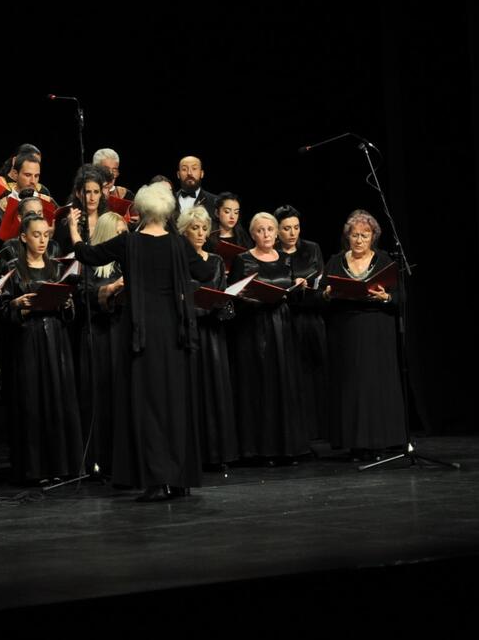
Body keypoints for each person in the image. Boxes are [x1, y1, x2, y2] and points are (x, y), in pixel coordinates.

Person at [69, 183, 208, 501]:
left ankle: (156, 479)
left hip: (140, 334)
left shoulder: (128, 242)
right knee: (174, 402)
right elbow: (205, 270)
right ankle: (177, 478)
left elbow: (87, 255)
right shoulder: (177, 244)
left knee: (148, 404)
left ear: (141, 212)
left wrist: (75, 230)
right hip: (174, 334)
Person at [0, 214, 83, 483]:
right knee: (33, 402)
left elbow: (70, 312)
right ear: (23, 237)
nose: (42, 240)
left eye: (46, 235)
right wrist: (16, 306)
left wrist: (67, 304)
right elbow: (0, 311)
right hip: (28, 342)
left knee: (58, 399)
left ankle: (61, 466)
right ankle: (35, 469)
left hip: (55, 340)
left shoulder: (57, 269)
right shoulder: (13, 269)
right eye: (36, 235)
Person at [228, 212, 309, 464]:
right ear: (253, 234)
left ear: (276, 233)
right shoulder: (243, 259)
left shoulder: (285, 259)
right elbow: (233, 296)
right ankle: (260, 450)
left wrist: (299, 288)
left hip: (281, 325)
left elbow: (290, 295)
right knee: (259, 385)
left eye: (270, 230)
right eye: (261, 230)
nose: (266, 235)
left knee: (283, 384)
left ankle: (287, 448)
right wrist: (248, 298)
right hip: (254, 328)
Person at [323, 209, 405, 458]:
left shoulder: (384, 261)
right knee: (352, 386)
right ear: (348, 236)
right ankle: (355, 442)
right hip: (347, 329)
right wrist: (326, 295)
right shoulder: (336, 261)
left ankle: (381, 440)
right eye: (355, 235)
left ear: (373, 237)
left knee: (376, 384)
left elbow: (400, 298)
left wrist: (386, 297)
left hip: (377, 328)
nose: (359, 240)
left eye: (365, 235)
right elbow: (323, 294)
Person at [178, 206, 238, 466]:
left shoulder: (214, 260)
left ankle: (218, 453)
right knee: (193, 389)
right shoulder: (179, 260)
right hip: (189, 329)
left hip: (213, 331)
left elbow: (224, 296)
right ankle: (195, 453)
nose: (201, 233)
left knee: (215, 389)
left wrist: (224, 304)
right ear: (184, 231)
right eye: (195, 228)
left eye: (204, 228)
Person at [73, 211, 128, 476]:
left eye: (125, 233)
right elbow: (84, 298)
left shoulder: (127, 264)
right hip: (99, 337)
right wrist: (107, 290)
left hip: (123, 335)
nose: (122, 238)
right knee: (100, 398)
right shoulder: (91, 264)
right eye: (118, 233)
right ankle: (99, 460)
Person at [275, 204, 329, 440]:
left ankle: (316, 432)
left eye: (296, 227)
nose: (292, 233)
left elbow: (321, 281)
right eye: (287, 228)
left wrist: (315, 292)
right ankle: (294, 433)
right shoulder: (272, 252)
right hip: (286, 319)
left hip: (311, 320)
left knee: (313, 376)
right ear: (277, 230)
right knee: (290, 376)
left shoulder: (311, 248)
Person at [54, 164, 110, 257]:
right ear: (78, 193)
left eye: (96, 192)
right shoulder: (66, 223)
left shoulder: (107, 220)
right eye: (87, 192)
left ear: (101, 194)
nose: (92, 198)